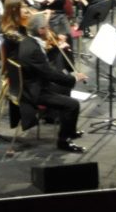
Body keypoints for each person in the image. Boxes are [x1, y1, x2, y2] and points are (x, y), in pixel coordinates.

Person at [13, 11, 84, 152]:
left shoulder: (28, 41)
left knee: (65, 90)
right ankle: (64, 141)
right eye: (46, 27)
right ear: (40, 30)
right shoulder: (33, 50)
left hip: (34, 83)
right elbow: (49, 73)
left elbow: (44, 67)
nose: (49, 30)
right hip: (34, 92)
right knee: (72, 104)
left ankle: (69, 130)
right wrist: (74, 78)